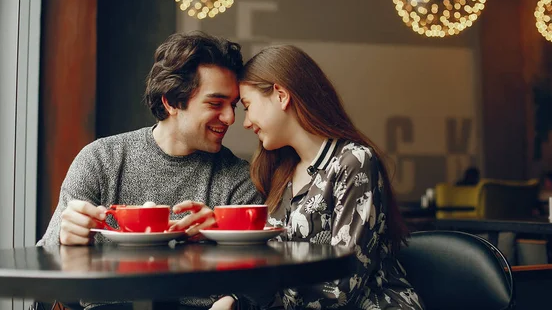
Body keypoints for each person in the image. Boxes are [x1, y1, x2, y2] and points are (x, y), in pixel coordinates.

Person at [37, 31, 262, 309]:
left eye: (233, 105)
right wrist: (64, 239)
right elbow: (43, 270)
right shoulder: (100, 159)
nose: (230, 118)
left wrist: (232, 289)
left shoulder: (238, 177)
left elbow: (261, 285)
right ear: (170, 102)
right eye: (215, 103)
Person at [221, 45, 424, 309]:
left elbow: (344, 282)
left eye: (247, 106)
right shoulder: (280, 173)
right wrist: (236, 298)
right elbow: (268, 265)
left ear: (281, 95)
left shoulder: (355, 161)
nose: (245, 122)